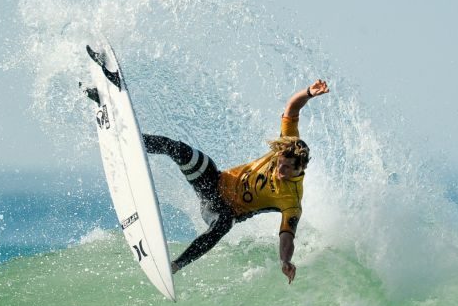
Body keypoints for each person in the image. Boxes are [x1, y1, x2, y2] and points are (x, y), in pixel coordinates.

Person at [141, 80, 329, 283]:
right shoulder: (287, 144)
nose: (278, 170)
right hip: (213, 180)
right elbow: (292, 108)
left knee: (223, 223)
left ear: (301, 168)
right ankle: (137, 141)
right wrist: (308, 92)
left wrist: (285, 260)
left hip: (221, 209)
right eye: (279, 163)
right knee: (178, 149)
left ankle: (174, 266)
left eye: (286, 168)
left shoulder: (291, 201)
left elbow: (287, 236)